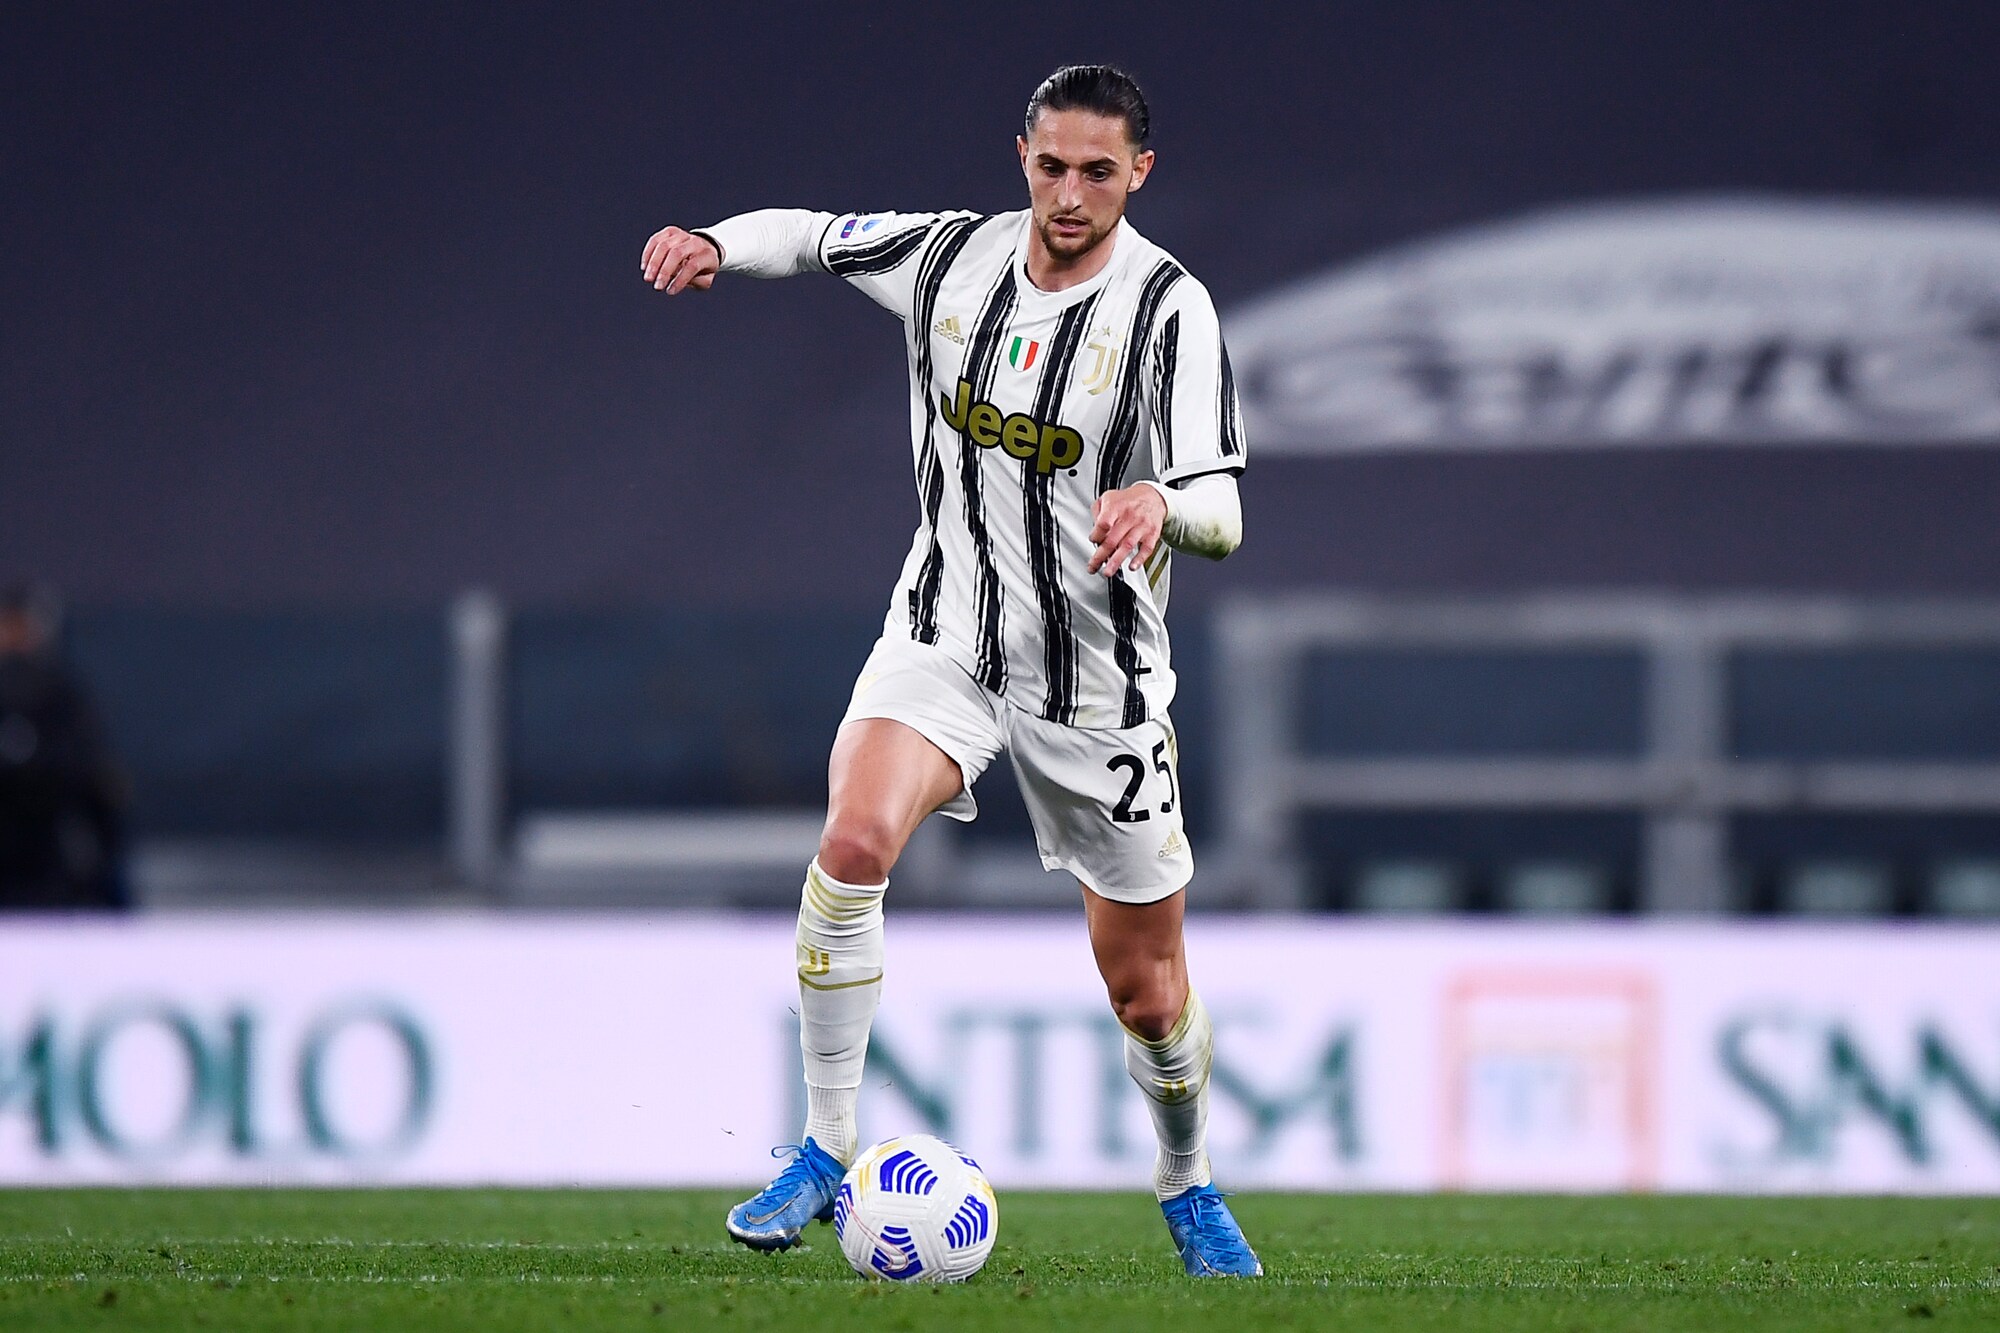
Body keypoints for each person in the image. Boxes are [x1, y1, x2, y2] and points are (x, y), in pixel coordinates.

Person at [641, 65, 1257, 1277]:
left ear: (1139, 173)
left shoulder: (1166, 310)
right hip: (945, 634)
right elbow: (809, 236)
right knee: (853, 840)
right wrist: (714, 242)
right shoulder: (947, 258)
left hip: (1096, 681)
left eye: (1097, 172)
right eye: (1050, 165)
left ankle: (1186, 1179)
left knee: (1146, 992)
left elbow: (1223, 512)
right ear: (1020, 154)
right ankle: (825, 1148)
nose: (1068, 194)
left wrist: (1158, 503)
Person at [0, 585, 128, 910]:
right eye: (6, 628)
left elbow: (94, 782)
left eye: (21, 629)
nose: (12, 640)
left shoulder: (63, 697)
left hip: (51, 876)